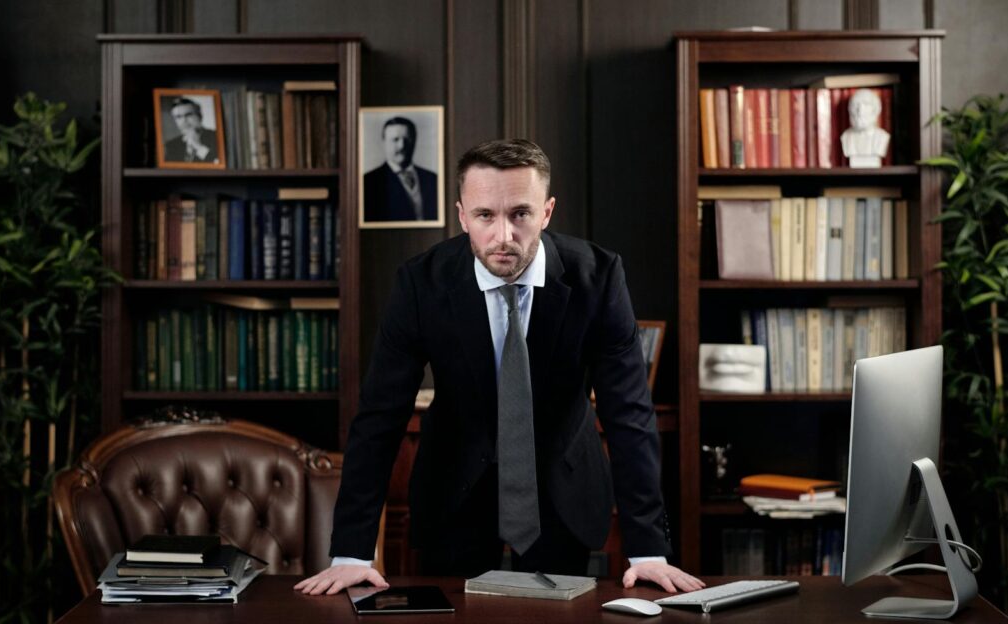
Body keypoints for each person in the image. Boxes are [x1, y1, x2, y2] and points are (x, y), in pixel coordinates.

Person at [295, 139, 704, 596]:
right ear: (462, 215)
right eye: (486, 215)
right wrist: (352, 550)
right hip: (453, 491)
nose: (503, 236)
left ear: (547, 212)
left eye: (520, 214)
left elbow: (629, 415)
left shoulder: (599, 278)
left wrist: (648, 548)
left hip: (563, 492)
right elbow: (379, 418)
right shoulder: (421, 283)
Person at [363, 117, 439, 222]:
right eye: (395, 140)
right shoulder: (369, 182)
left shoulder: (433, 179)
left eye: (406, 139)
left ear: (414, 140)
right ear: (384, 142)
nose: (401, 145)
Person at [840, 87, 889, 168]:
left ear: (876, 109)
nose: (860, 110)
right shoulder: (845, 137)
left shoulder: (882, 137)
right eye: (856, 105)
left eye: (866, 104)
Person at [163, 97, 218, 164]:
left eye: (188, 115)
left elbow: (220, 165)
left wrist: (198, 147)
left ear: (200, 116)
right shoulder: (171, 146)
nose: (184, 121)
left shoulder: (216, 137)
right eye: (178, 117)